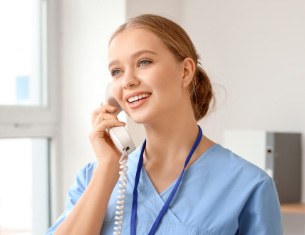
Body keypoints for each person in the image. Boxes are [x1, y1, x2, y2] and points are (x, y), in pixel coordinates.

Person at [47, 14, 282, 235]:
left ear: (186, 71)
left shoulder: (248, 185)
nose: (127, 81)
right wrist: (109, 168)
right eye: (116, 71)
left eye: (144, 62)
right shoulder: (93, 177)